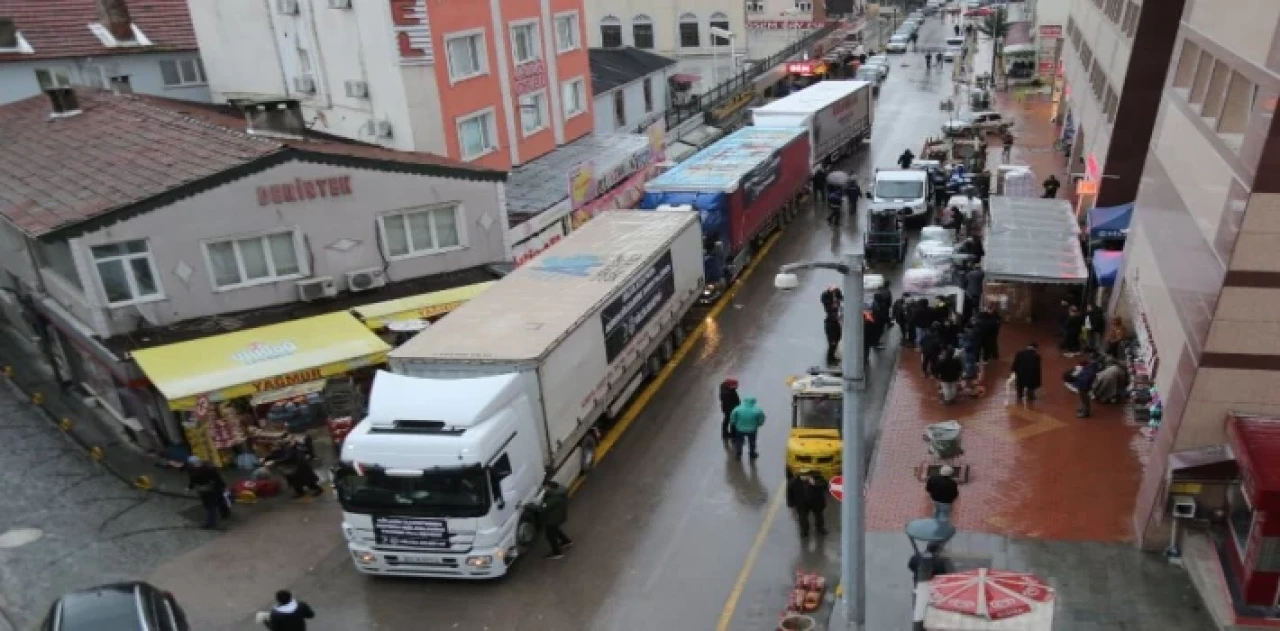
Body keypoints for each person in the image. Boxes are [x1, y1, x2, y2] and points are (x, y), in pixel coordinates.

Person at [186, 456, 230, 529]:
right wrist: (190, 487)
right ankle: (225, 513)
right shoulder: (193, 470)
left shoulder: (208, 469)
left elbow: (217, 478)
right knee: (218, 502)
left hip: (212, 489)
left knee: (211, 506)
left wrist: (223, 486)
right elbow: (193, 480)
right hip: (207, 490)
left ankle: (211, 523)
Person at [786, 471, 828, 538]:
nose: (805, 477)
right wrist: (790, 503)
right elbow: (789, 494)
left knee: (819, 516)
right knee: (802, 518)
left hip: (816, 502)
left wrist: (815, 484)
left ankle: (820, 528)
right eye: (803, 476)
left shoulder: (817, 477)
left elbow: (825, 486)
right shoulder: (793, 482)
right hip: (802, 504)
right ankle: (804, 531)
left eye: (807, 475)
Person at [537, 481, 573, 558]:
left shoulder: (553, 497)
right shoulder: (559, 493)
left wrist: (531, 506)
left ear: (549, 487)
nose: (544, 488)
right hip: (558, 516)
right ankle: (566, 541)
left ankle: (557, 553)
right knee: (555, 530)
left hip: (552, 518)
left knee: (550, 535)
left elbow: (543, 508)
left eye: (545, 487)